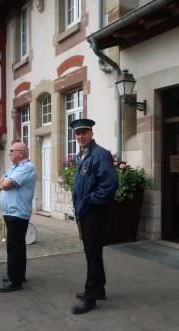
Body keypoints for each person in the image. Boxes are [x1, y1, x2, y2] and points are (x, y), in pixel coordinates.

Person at [70, 119, 118, 314]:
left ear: (91, 133)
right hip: (85, 211)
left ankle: (90, 297)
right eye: (78, 134)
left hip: (94, 212)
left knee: (92, 252)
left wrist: (90, 202)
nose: (81, 136)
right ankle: (99, 289)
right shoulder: (83, 155)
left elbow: (110, 185)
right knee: (92, 253)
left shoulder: (100, 154)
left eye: (84, 132)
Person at [0, 142, 36, 292]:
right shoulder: (14, 168)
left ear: (21, 153)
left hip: (18, 213)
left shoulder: (26, 168)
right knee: (15, 246)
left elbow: (5, 185)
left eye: (12, 151)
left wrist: (1, 181)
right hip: (10, 213)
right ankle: (17, 275)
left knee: (15, 247)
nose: (10, 153)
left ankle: (15, 281)